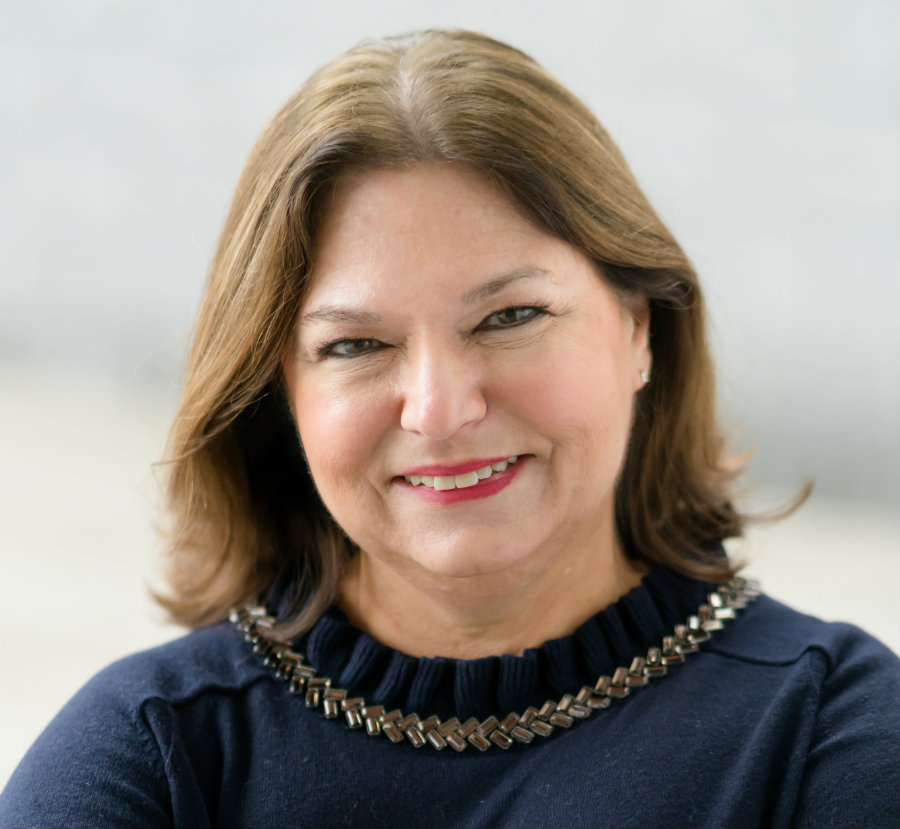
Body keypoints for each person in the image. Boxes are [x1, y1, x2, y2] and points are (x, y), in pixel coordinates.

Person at [1, 28, 897, 829]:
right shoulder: (152, 755)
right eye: (356, 343)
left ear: (638, 328)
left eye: (510, 317)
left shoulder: (831, 733)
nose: (439, 408)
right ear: (282, 389)